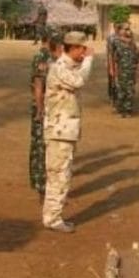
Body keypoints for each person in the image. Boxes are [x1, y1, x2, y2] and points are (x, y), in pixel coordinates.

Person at [42, 31, 94, 233]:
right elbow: (78, 81)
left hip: (64, 131)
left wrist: (83, 61)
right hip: (59, 132)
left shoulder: (68, 66)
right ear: (72, 48)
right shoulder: (59, 68)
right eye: (82, 49)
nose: (85, 52)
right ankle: (52, 218)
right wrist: (88, 61)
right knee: (59, 176)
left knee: (61, 174)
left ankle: (53, 215)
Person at [30, 30, 62, 199]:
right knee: (42, 147)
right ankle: (42, 187)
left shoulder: (51, 58)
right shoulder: (42, 58)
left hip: (50, 108)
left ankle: (41, 183)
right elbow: (38, 86)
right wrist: (41, 109)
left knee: (44, 146)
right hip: (43, 109)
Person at [111, 25, 139, 118]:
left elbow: (138, 61)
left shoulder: (134, 46)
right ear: (120, 31)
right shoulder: (117, 44)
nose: (127, 31)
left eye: (128, 29)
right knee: (121, 92)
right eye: (125, 29)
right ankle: (121, 111)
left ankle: (128, 111)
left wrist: (137, 73)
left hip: (131, 73)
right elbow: (114, 60)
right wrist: (114, 71)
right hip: (121, 72)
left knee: (130, 92)